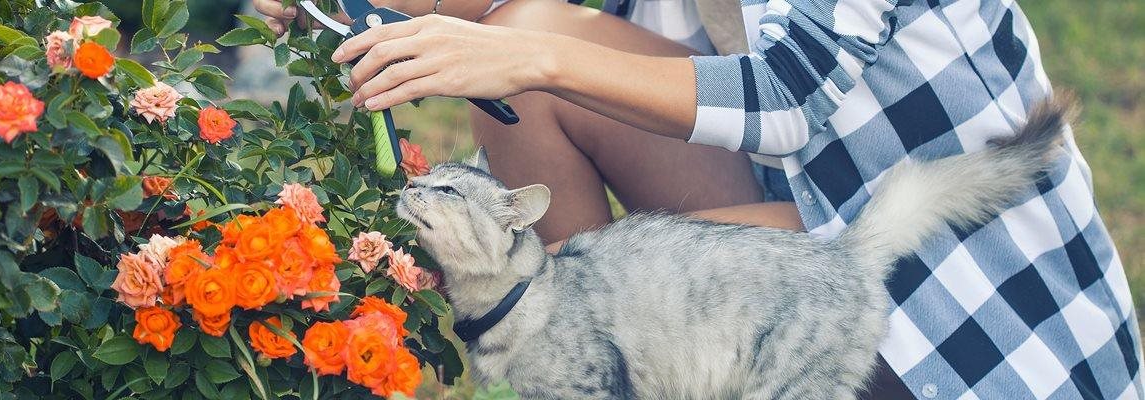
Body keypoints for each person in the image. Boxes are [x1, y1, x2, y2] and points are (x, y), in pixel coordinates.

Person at [254, 0, 1142, 398]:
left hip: (944, 301)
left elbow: (792, 94)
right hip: (796, 233)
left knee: (537, 55)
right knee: (527, 29)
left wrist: (536, 60)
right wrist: (328, 0)